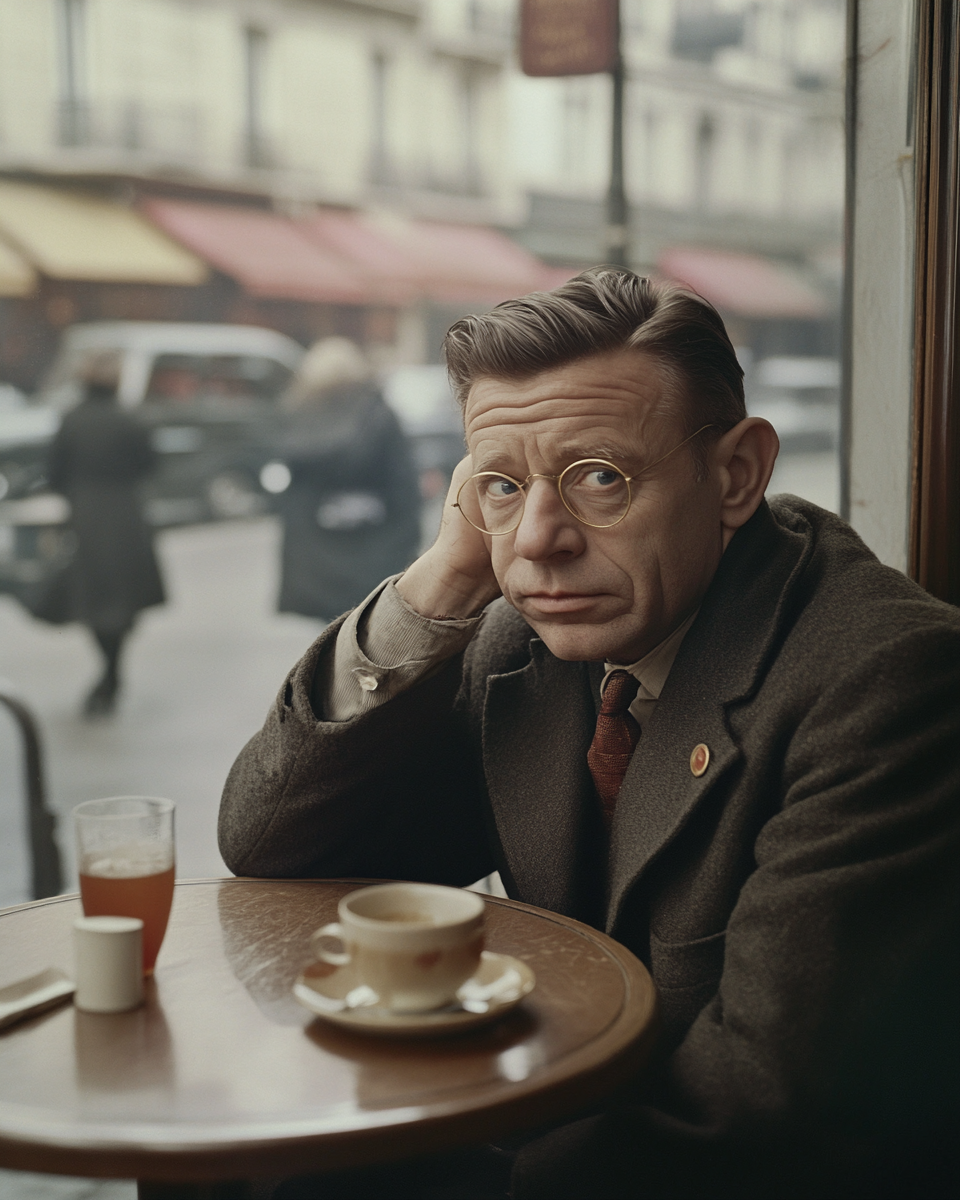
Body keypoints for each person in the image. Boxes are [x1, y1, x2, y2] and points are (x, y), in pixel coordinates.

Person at [219, 270, 960, 1199]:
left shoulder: (889, 679)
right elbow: (275, 843)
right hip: (546, 1109)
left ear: (736, 475)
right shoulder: (521, 637)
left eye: (599, 477)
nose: (536, 541)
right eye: (499, 485)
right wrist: (441, 584)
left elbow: (761, 1116)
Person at [43, 352, 165, 716]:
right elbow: (149, 464)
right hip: (127, 515)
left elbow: (55, 471)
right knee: (122, 600)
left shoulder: (71, 420)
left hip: (86, 517)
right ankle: (113, 672)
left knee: (94, 599)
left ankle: (108, 673)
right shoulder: (130, 419)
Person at [272, 337, 421, 622]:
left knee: (328, 635)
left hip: (316, 553)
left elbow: (287, 488)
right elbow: (403, 484)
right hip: (374, 543)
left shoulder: (296, 415)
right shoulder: (378, 414)